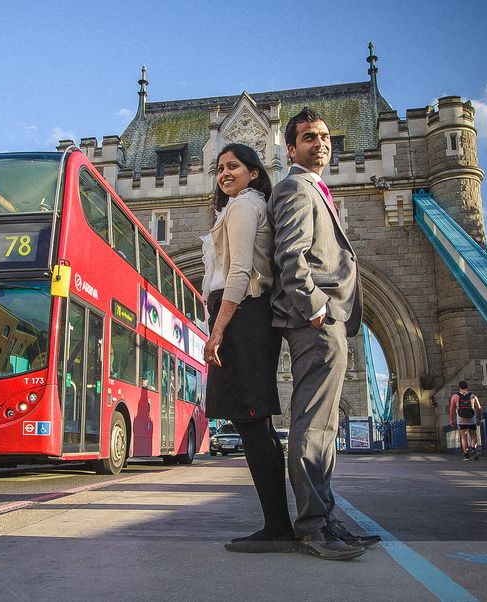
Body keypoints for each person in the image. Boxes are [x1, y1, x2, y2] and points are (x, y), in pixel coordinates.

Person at [269, 108, 379, 560]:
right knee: (313, 425)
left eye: (326, 136)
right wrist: (317, 310)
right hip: (316, 321)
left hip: (328, 321)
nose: (321, 143)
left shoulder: (316, 189)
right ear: (291, 148)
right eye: (309, 137)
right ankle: (314, 527)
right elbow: (290, 258)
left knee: (325, 427)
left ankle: (327, 517)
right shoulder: (295, 188)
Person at [201, 143, 292, 554]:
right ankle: (278, 523)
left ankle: (277, 527)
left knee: (251, 421)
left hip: (239, 315)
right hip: (247, 317)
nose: (224, 173)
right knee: (256, 424)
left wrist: (218, 330)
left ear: (254, 172)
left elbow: (238, 273)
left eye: (233, 166)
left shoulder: (242, 207)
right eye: (219, 167)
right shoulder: (249, 205)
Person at [449, 380, 482, 460]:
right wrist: (479, 418)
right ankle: (473, 449)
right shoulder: (473, 396)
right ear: (467, 387)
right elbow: (479, 408)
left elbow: (452, 409)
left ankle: (466, 455)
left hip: (461, 419)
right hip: (471, 419)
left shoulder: (455, 396)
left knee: (463, 437)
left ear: (459, 387)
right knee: (473, 435)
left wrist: (451, 419)